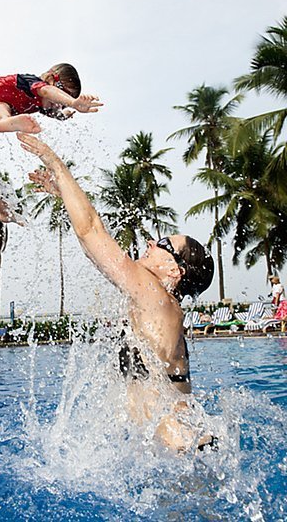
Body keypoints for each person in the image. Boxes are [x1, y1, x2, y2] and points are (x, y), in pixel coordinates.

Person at [18, 132, 215, 452]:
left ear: (175, 272)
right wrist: (65, 196)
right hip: (183, 447)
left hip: (182, 449)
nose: (152, 242)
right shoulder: (162, 308)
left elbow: (91, 231)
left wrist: (54, 161)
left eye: (164, 245)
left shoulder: (155, 295)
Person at [0, 63, 103, 223]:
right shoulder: (29, 81)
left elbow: (51, 109)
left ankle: (5, 211)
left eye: (62, 103)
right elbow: (46, 91)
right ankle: (4, 121)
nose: (59, 104)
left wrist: (62, 115)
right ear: (50, 79)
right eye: (63, 95)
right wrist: (73, 102)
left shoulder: (39, 104)